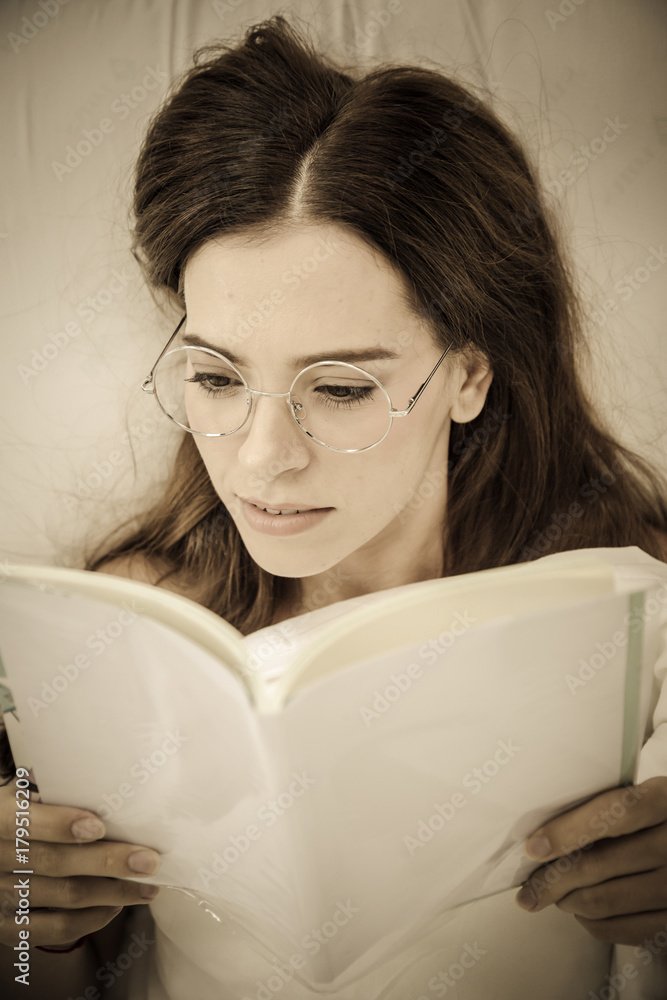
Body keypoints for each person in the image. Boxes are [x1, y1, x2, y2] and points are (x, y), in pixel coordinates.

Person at [1, 13, 667, 999]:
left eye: (342, 388)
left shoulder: (632, 620)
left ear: (470, 374)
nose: (262, 461)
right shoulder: (125, 623)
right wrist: (26, 919)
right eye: (218, 379)